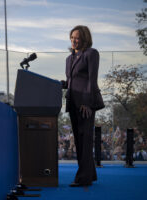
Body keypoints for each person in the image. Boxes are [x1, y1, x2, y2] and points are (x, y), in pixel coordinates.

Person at [61, 25, 104, 187]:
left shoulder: (91, 54)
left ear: (84, 38)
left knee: (85, 141)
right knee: (79, 141)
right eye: (72, 37)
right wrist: (57, 84)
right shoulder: (69, 59)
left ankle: (83, 178)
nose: (74, 40)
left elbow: (91, 80)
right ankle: (90, 174)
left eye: (77, 37)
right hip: (72, 103)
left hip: (85, 104)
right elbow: (71, 81)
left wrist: (87, 102)